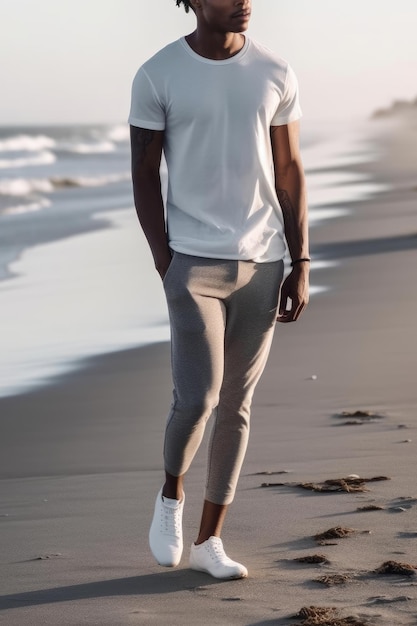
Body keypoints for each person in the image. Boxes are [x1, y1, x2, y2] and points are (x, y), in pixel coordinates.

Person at [129, 0, 309, 580]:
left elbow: (290, 169)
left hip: (263, 263)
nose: (244, 2)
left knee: (237, 405)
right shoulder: (158, 73)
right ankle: (171, 498)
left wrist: (301, 259)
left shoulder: (275, 71)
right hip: (193, 266)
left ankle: (211, 540)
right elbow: (143, 171)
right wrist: (165, 260)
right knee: (198, 398)